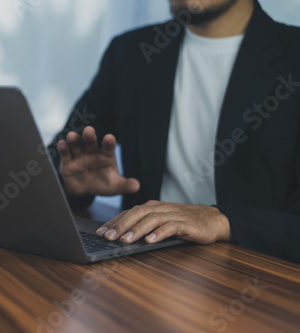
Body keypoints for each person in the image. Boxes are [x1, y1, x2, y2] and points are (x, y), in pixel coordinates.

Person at [50, 0, 300, 263]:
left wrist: (223, 220)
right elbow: (58, 157)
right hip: (144, 268)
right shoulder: (131, 52)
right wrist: (70, 184)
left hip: (256, 277)